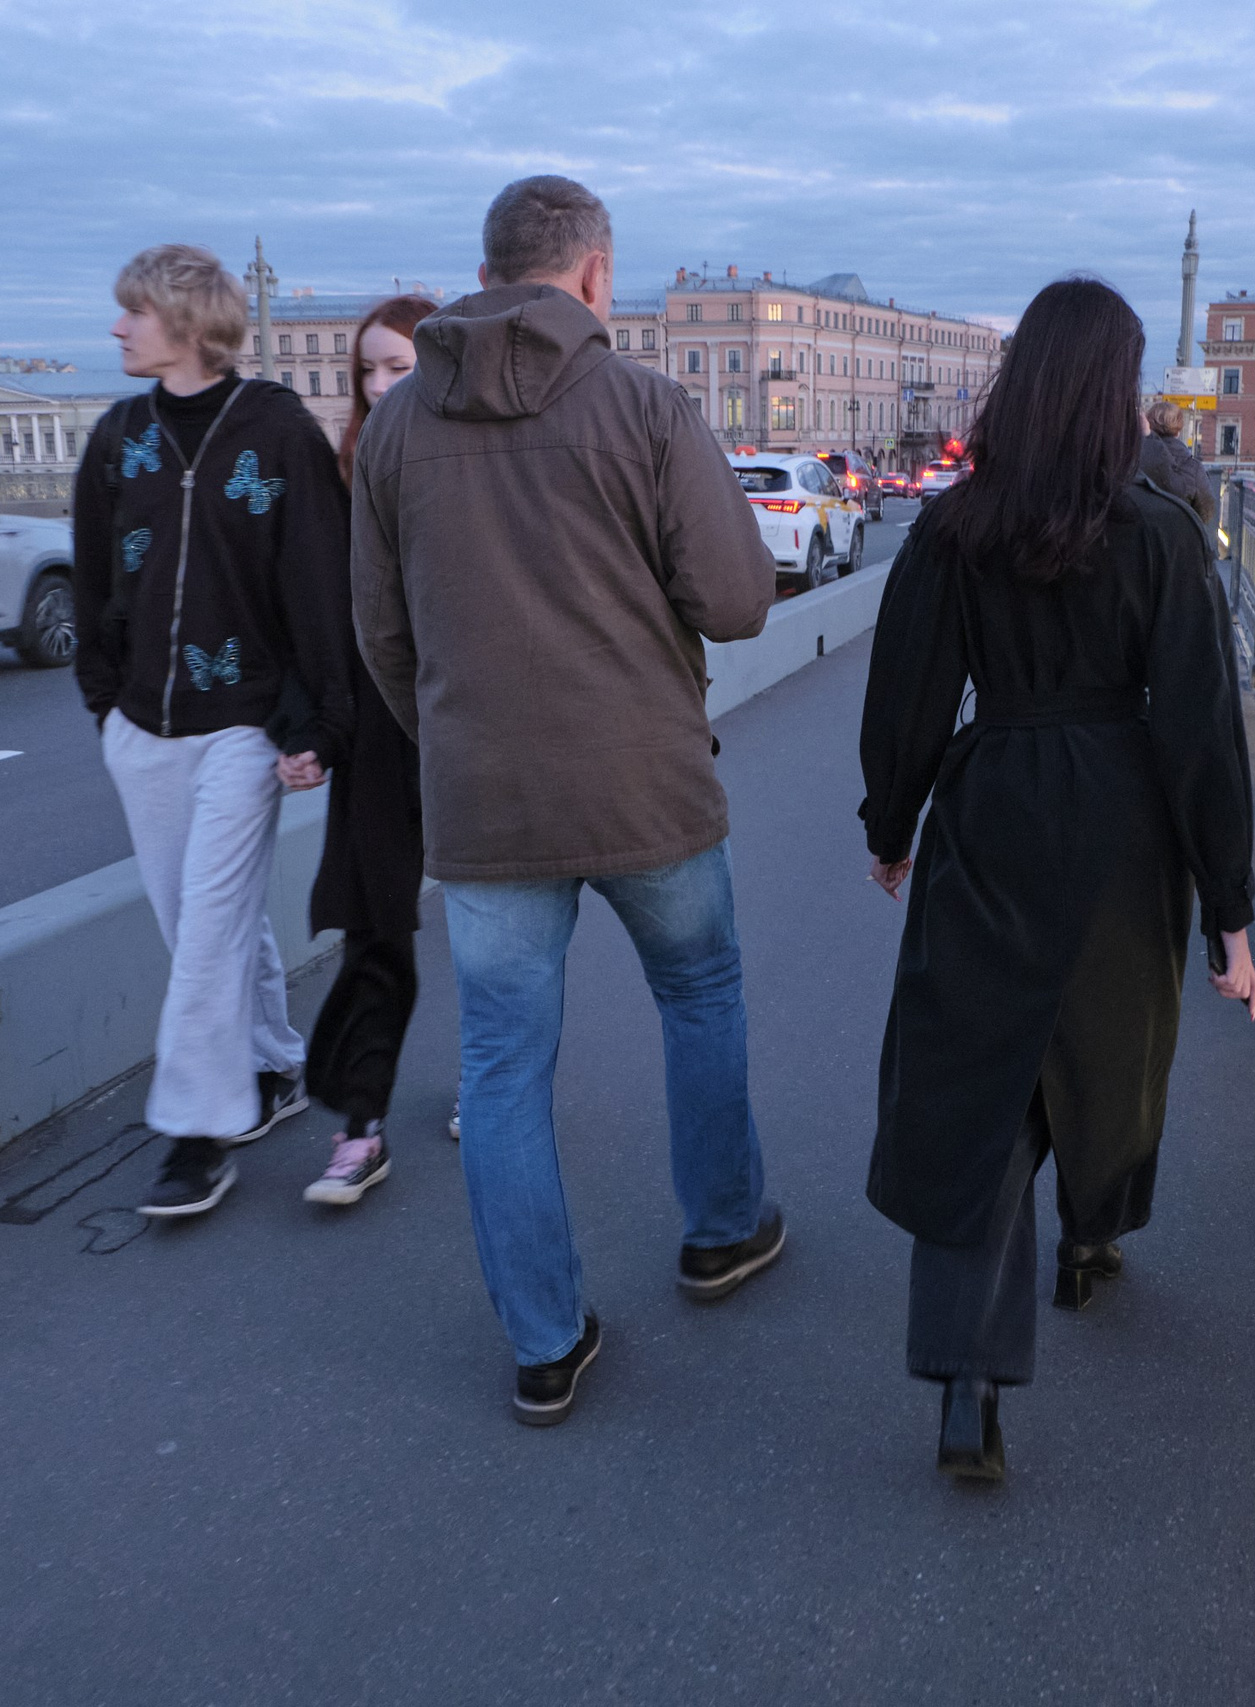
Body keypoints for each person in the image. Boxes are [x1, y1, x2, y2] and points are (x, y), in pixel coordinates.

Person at [351, 176, 785, 1426]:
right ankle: (719, 1234)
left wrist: (456, 742)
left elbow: (380, 638)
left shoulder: (392, 432)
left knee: (498, 1067)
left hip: (484, 809)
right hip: (647, 783)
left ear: (485, 273)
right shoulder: (644, 404)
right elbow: (740, 602)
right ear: (593, 275)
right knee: (699, 996)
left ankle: (545, 1343)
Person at [858, 277, 1255, 1482]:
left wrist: (892, 826)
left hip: (992, 809)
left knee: (976, 1085)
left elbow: (906, 699)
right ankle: (1091, 1240)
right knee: (1105, 1051)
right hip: (1123, 826)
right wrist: (1230, 917)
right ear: (1120, 394)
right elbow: (1201, 736)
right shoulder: (1163, 534)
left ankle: (966, 1384)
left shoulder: (952, 529)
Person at [71, 243, 355, 1219]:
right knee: (195, 920)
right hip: (143, 724)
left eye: (133, 313)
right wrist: (103, 701)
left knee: (206, 934)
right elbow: (93, 576)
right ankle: (275, 1065)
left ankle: (196, 1136)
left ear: (187, 322)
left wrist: (321, 717)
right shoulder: (117, 437)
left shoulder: (274, 429)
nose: (117, 328)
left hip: (243, 724)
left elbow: (319, 575)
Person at [295, 294, 443, 1208]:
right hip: (383, 730)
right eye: (368, 371)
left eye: (401, 367)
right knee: (377, 925)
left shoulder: (474, 467)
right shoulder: (342, 478)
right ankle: (360, 1121)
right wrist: (317, 728)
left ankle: (495, 1084)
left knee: (505, 929)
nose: (381, 386)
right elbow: (318, 619)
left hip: (472, 722)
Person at [1137, 398, 1217, 528]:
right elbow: (1206, 513)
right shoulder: (1194, 467)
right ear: (1178, 431)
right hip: (1180, 540)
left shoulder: (1135, 460)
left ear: (1148, 426)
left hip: (1141, 539)